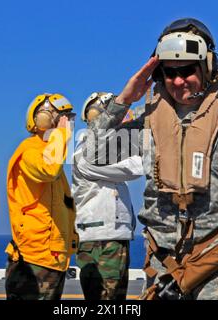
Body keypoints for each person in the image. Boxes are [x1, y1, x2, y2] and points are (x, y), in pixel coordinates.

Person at [83, 18, 218, 300]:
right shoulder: (147, 119)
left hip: (215, 260)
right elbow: (93, 155)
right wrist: (124, 100)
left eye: (187, 70)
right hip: (161, 263)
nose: (178, 81)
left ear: (207, 67)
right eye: (169, 72)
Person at [5, 93, 79, 300]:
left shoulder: (50, 152)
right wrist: (60, 135)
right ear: (43, 119)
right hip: (34, 258)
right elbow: (48, 169)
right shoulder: (30, 151)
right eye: (62, 119)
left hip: (51, 257)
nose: (68, 125)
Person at [72, 92, 143, 300]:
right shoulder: (84, 152)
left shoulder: (109, 150)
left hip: (113, 235)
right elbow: (132, 169)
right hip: (101, 238)